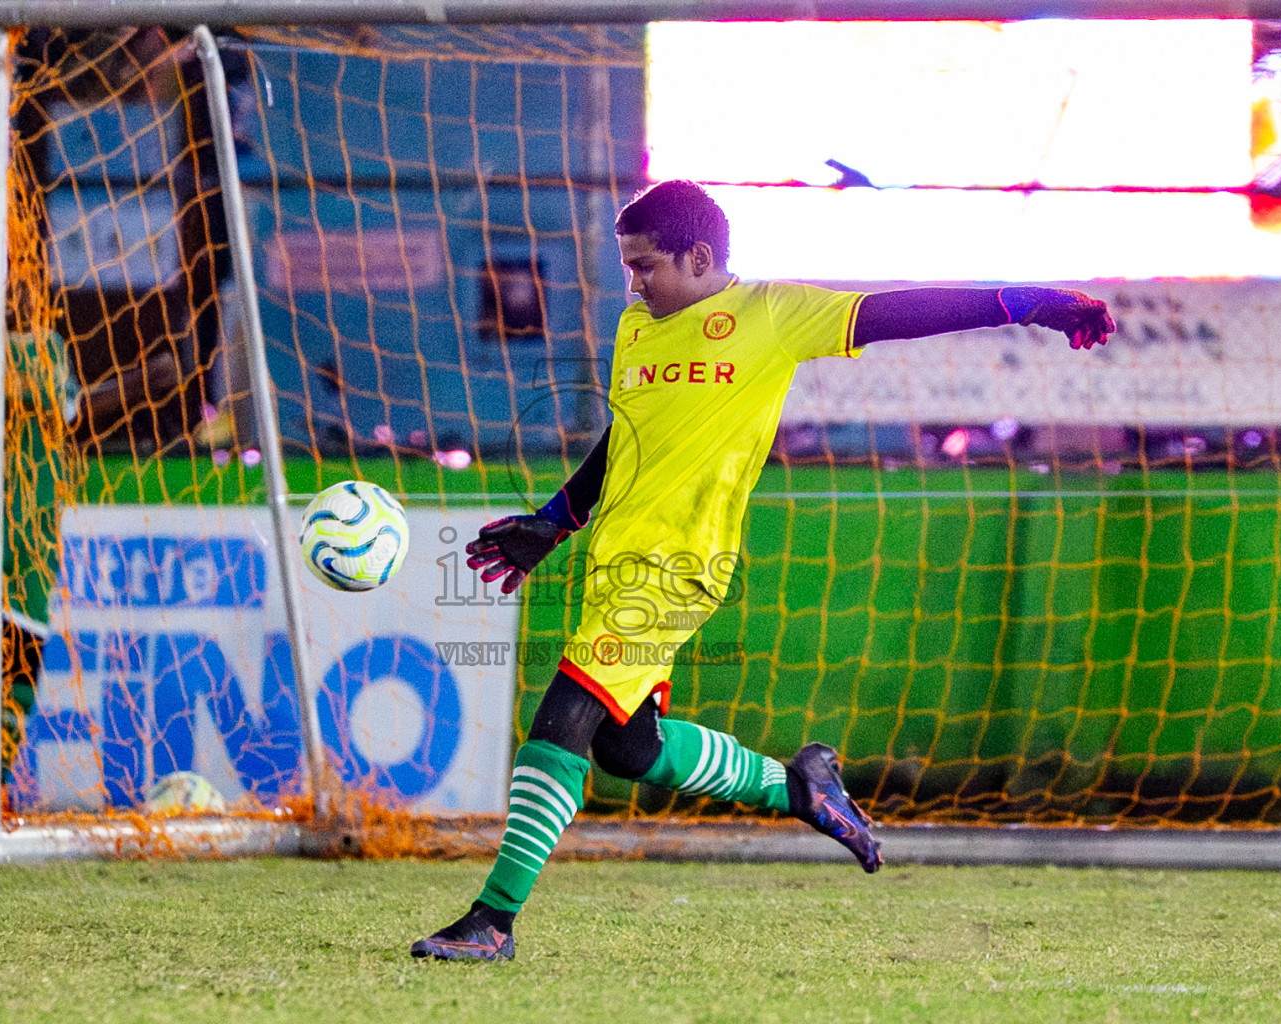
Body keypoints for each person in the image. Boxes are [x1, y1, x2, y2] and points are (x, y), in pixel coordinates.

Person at [411, 180, 1114, 961]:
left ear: (700, 256)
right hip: (614, 563)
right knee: (625, 749)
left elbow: (899, 311)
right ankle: (799, 787)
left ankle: (494, 920)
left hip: (677, 567)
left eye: (644, 266)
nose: (633, 282)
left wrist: (1032, 301)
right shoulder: (638, 328)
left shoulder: (772, 315)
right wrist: (554, 521)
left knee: (561, 723)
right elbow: (626, 439)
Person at [0, 290, 177, 800]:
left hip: (34, 521)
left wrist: (140, 384)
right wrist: (8, 403)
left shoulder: (52, 349)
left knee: (25, 651)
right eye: (11, 285)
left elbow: (69, 416)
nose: (23, 295)